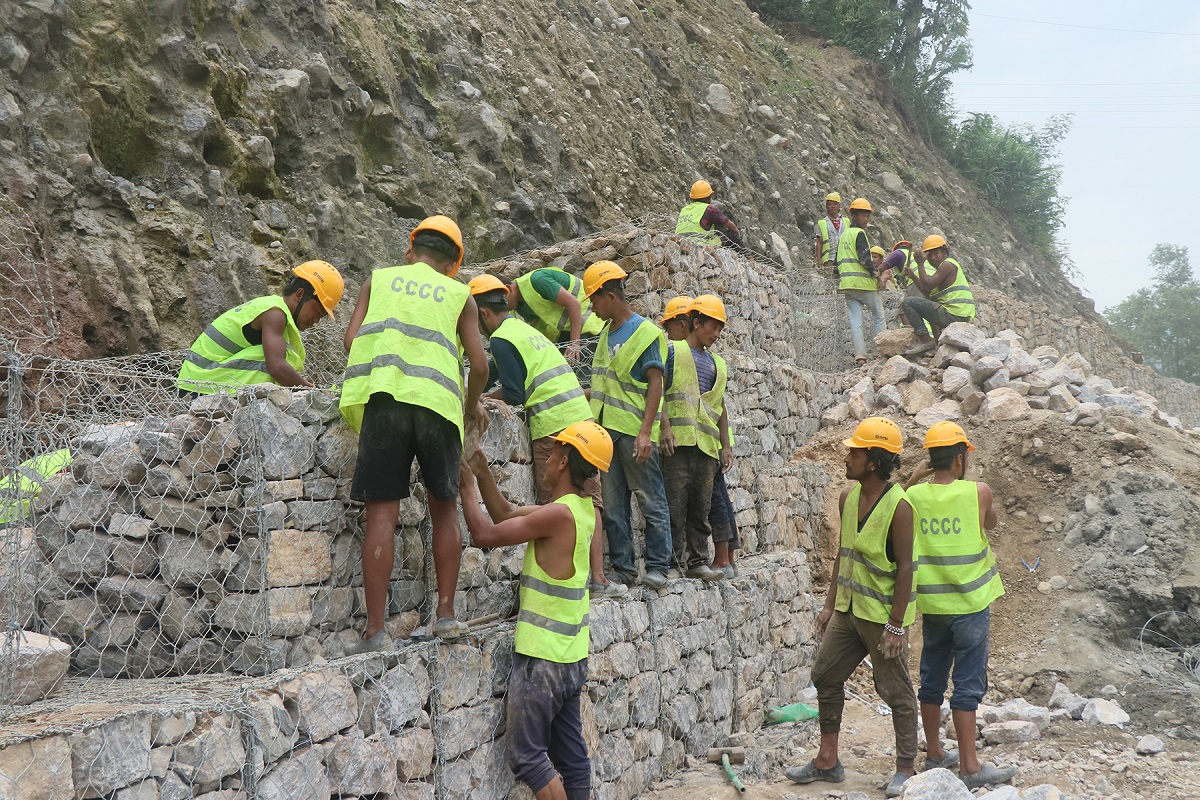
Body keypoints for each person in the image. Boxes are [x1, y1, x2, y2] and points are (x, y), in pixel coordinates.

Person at [340, 215, 488, 651]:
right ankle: (444, 615)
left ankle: (375, 632)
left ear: (410, 251)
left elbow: (352, 341)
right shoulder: (461, 295)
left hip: (384, 400)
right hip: (438, 407)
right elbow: (479, 366)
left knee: (381, 514)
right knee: (445, 507)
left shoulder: (378, 280)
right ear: (452, 265)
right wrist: (471, 401)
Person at [460, 420, 611, 800]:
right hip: (571, 658)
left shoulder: (557, 516)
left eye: (554, 450)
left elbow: (485, 535)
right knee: (572, 758)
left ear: (563, 462)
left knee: (527, 756)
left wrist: (462, 483)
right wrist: (480, 470)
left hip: (543, 659)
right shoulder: (579, 511)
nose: (546, 456)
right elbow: (506, 513)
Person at [467, 274, 626, 599]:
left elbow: (513, 391)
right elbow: (498, 371)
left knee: (554, 505)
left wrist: (481, 400)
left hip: (555, 425)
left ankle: (558, 585)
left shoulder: (501, 338)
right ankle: (597, 579)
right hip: (580, 419)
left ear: (482, 314)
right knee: (588, 499)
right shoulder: (526, 331)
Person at [786, 417, 918, 799]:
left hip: (881, 617)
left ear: (873, 461)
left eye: (854, 452)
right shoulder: (847, 498)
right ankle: (828, 761)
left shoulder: (900, 507)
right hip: (848, 610)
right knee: (825, 675)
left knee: (894, 690)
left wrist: (896, 626)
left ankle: (906, 768)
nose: (846, 456)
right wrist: (829, 606)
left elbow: (907, 568)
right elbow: (843, 557)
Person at [904, 422, 1017, 790]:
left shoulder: (915, 497)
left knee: (932, 676)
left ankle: (935, 753)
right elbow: (992, 523)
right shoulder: (977, 492)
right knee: (968, 681)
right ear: (960, 457)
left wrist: (916, 476)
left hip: (934, 605)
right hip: (970, 603)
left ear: (930, 458)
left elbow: (900, 504)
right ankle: (970, 766)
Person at [585, 260, 673, 590]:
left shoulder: (646, 333)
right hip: (606, 433)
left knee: (650, 498)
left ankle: (658, 566)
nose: (592, 308)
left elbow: (655, 384)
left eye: (594, 300)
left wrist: (647, 432)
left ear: (610, 296)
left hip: (635, 431)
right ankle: (622, 568)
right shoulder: (606, 334)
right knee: (613, 503)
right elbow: (611, 384)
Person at [176, 261, 344, 395]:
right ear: (300, 295)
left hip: (200, 380)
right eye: (317, 311)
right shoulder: (275, 313)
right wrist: (312, 391)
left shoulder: (273, 308)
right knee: (282, 359)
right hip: (199, 385)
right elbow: (277, 367)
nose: (316, 320)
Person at [660, 295, 731, 582]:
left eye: (720, 330)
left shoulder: (718, 364)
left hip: (706, 447)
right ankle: (675, 561)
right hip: (677, 443)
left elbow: (720, 406)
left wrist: (725, 446)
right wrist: (664, 428)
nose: (716, 335)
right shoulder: (673, 351)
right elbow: (659, 391)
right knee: (674, 505)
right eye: (712, 327)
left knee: (700, 508)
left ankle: (698, 561)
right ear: (696, 322)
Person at [505, 266, 604, 370]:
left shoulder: (537, 280)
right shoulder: (520, 305)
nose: (501, 308)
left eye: (501, 301)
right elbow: (542, 332)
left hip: (592, 318)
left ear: (508, 289)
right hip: (570, 330)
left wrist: (574, 344)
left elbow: (574, 304)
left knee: (578, 366)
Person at [900, 234, 977, 357]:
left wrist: (920, 263)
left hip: (953, 314)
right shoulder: (942, 270)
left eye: (936, 253)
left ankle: (926, 340)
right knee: (932, 306)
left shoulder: (948, 264)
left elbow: (928, 285)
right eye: (929, 255)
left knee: (907, 302)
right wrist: (913, 276)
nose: (932, 257)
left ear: (944, 252)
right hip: (959, 314)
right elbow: (927, 291)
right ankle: (936, 344)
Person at [836, 198, 884, 366]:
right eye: (862, 216)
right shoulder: (859, 234)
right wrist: (876, 275)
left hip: (848, 286)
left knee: (855, 322)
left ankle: (860, 357)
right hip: (864, 285)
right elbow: (865, 259)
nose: (866, 219)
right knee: (878, 316)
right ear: (853, 216)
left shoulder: (843, 236)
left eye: (867, 216)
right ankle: (880, 352)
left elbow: (838, 261)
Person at [676, 180, 741, 247]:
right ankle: (749, 257)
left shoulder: (684, 210)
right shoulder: (709, 209)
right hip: (701, 244)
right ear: (709, 197)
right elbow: (733, 227)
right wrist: (738, 237)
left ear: (692, 198)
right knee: (732, 235)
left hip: (681, 243)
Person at [813, 192, 849, 277]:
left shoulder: (846, 222)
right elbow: (819, 242)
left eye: (835, 204)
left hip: (844, 258)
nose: (833, 206)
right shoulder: (821, 223)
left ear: (839, 206)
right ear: (826, 207)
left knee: (842, 282)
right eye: (830, 204)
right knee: (829, 283)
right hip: (829, 259)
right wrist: (819, 260)